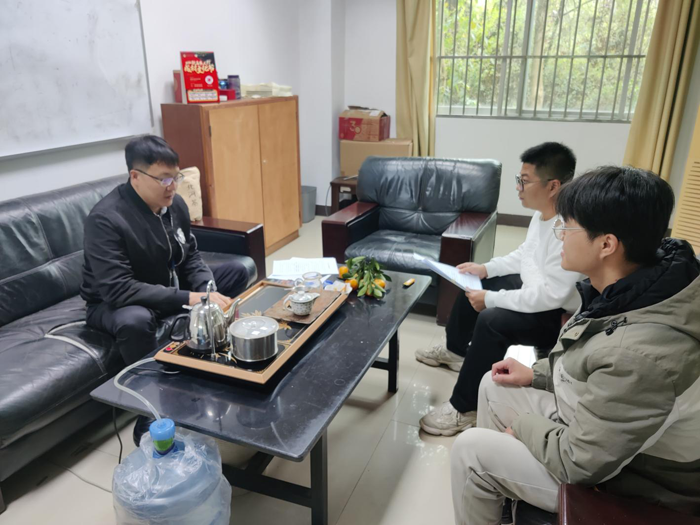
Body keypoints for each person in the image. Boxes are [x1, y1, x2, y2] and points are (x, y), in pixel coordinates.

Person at [450, 166, 700, 524]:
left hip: (635, 482)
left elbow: (580, 462)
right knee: (494, 383)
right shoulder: (634, 284)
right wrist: (538, 374)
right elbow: (591, 364)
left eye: (567, 227)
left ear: (606, 244)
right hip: (606, 436)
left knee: (469, 450)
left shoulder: (643, 355)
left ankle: (491, 480)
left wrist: (523, 427)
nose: (560, 236)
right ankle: (503, 497)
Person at [81, 135, 249, 442]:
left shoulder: (174, 205)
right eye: (164, 179)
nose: (172, 186)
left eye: (176, 177)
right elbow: (118, 289)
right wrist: (192, 297)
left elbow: (191, 256)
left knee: (236, 271)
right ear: (135, 176)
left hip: (166, 285)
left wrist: (207, 289)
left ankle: (214, 354)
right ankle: (151, 405)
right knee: (135, 320)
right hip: (114, 303)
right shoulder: (106, 219)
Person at [417, 142, 583, 436]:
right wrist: (485, 269)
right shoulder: (542, 215)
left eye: (525, 180)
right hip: (538, 293)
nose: (518, 187)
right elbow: (525, 256)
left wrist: (492, 299)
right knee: (473, 280)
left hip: (557, 313)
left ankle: (464, 408)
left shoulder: (568, 228)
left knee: (492, 320)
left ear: (553, 186)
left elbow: (552, 295)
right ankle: (455, 351)